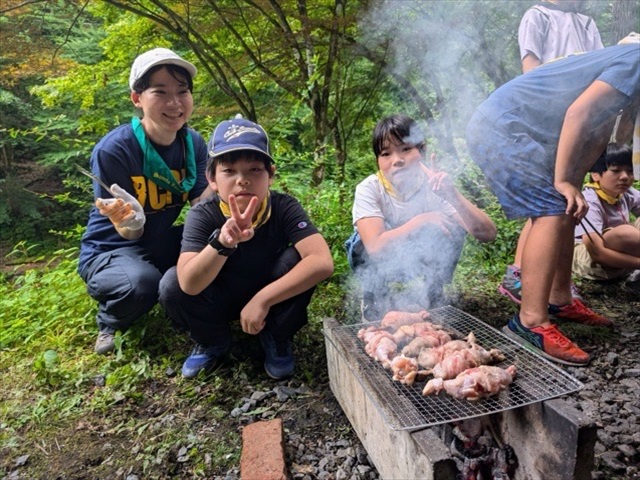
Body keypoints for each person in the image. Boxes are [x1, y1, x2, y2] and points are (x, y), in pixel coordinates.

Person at [466, 41, 640, 367]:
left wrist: (572, 181)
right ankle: (530, 321)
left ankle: (560, 299)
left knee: (566, 206)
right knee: (552, 208)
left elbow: (600, 131)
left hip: (522, 130)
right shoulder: (638, 59)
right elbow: (579, 112)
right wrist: (562, 180)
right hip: (502, 127)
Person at [158, 116, 334, 379]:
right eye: (229, 171)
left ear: (270, 175)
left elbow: (322, 261)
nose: (242, 180)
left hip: (269, 293)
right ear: (212, 179)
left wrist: (263, 299)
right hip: (220, 294)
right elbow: (188, 284)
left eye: (254, 170)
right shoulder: (203, 215)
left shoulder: (283, 206)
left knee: (299, 258)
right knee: (171, 283)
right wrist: (222, 243)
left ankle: (276, 336)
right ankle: (212, 340)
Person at [78, 48, 211, 355]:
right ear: (137, 98)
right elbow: (127, 231)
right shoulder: (115, 149)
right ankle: (109, 320)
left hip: (159, 241)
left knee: (218, 249)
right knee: (142, 284)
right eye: (160, 92)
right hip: (112, 248)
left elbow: (200, 202)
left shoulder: (193, 143)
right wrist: (131, 222)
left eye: (182, 91)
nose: (175, 103)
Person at [500, 0, 604, 303]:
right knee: (544, 200)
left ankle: (559, 285)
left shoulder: (586, 22)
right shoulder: (538, 15)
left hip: (579, 116)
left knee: (568, 199)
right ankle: (518, 273)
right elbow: (530, 68)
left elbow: (597, 66)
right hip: (546, 117)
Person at [346, 114, 496, 321]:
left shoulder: (434, 186)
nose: (397, 160)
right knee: (360, 242)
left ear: (421, 151)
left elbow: (487, 233)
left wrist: (452, 195)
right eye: (385, 153)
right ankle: (374, 295)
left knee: (451, 226)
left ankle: (433, 292)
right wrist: (421, 220)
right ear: (378, 160)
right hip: (382, 263)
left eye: (406, 149)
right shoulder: (370, 189)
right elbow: (374, 247)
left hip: (419, 260)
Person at [573, 143, 640, 289]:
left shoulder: (626, 193)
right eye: (615, 171)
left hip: (623, 257)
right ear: (595, 174)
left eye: (630, 171)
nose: (624, 177)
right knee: (625, 232)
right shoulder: (589, 202)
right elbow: (597, 253)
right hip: (591, 260)